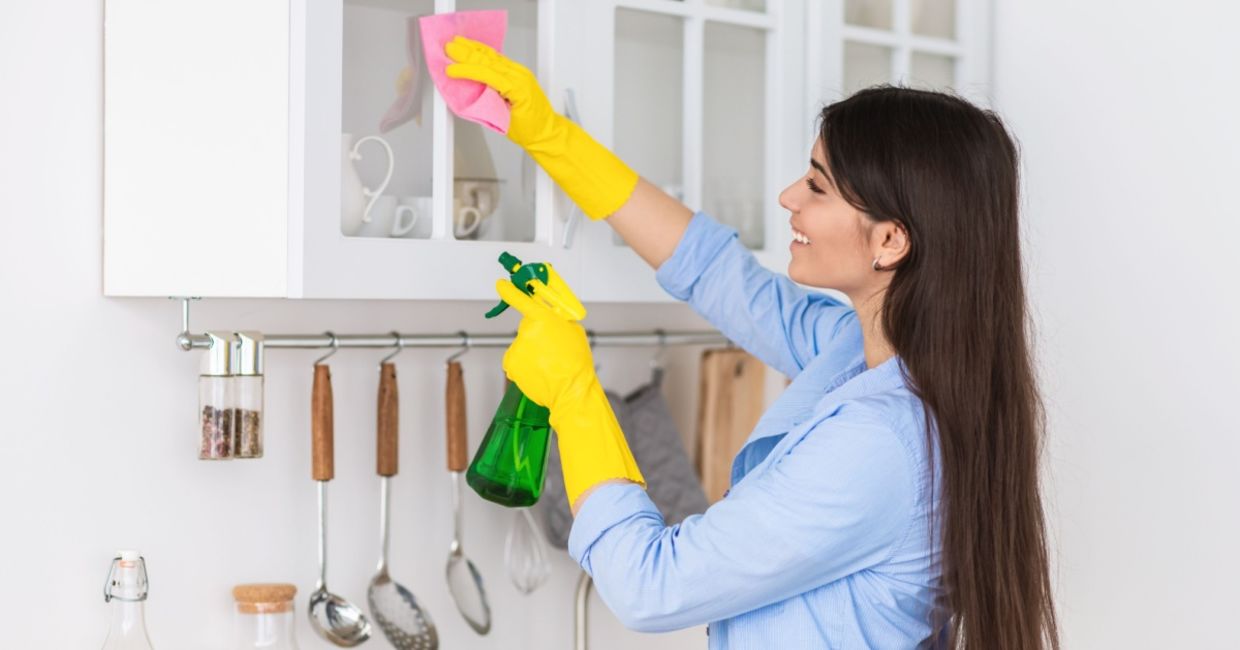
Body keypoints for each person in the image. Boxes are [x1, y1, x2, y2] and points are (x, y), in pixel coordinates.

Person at [445, 37, 1058, 649]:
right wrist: (551, 136)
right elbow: (716, 273)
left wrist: (575, 395)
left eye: (817, 187)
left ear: (891, 242)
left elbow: (651, 585)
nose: (789, 197)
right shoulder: (862, 352)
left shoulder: (879, 445)